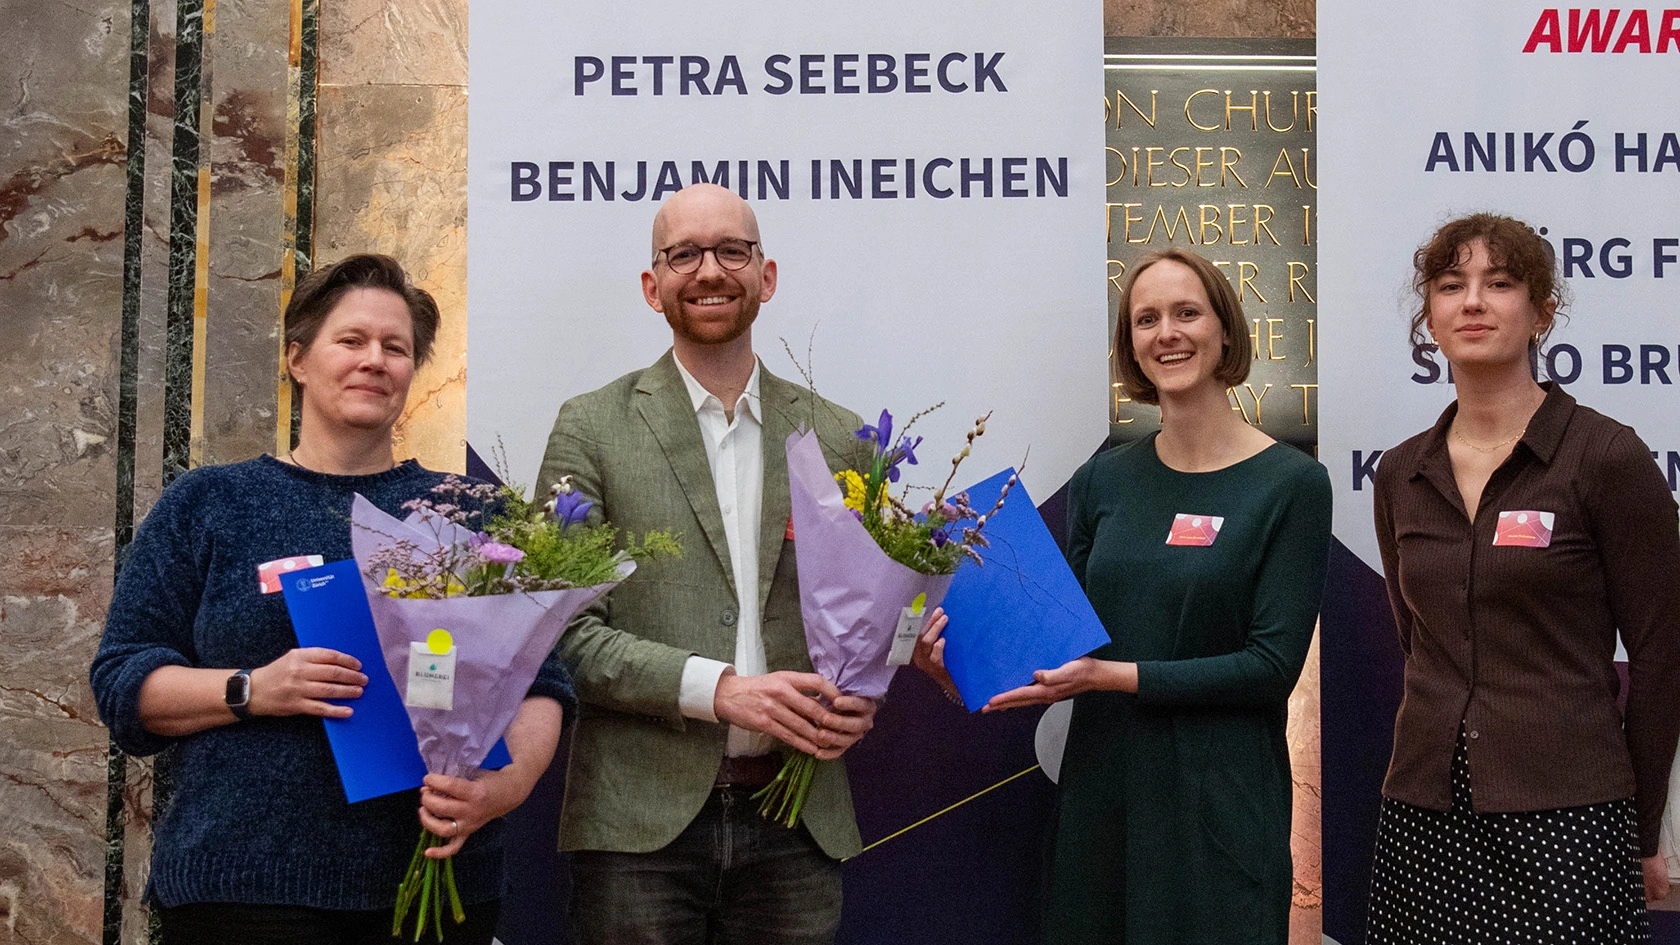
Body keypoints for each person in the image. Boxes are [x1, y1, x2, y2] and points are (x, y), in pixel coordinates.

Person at [90, 254, 572, 945]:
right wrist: (254, 688)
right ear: (298, 359)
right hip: (243, 890)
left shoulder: (474, 514)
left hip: (434, 889)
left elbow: (541, 681)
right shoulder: (209, 503)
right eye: (351, 340)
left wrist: (504, 789)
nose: (374, 360)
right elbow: (123, 680)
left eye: (395, 347)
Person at [917, 247, 1331, 944]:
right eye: (1146, 319)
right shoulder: (1102, 480)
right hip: (1101, 800)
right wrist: (961, 672)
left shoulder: (1291, 483)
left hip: (1218, 808)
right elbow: (1059, 641)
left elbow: (1270, 668)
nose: (1167, 333)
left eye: (1186, 312)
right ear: (1130, 345)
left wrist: (1112, 677)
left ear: (1224, 329)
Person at [535, 183, 879, 945]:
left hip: (798, 821)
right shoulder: (590, 428)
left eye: (732, 250)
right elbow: (562, 630)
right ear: (652, 284)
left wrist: (864, 693)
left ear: (767, 275)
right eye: (684, 254)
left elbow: (870, 618)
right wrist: (720, 690)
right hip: (637, 826)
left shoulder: (840, 437)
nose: (711, 270)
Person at [1366, 213, 1680, 944]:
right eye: (1452, 285)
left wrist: (1642, 829)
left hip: (1570, 815)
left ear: (1541, 312)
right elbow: (1419, 643)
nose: (1473, 301)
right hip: (1422, 813)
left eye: (1499, 283)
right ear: (1431, 319)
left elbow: (1661, 656)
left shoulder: (1605, 456)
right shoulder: (1401, 473)